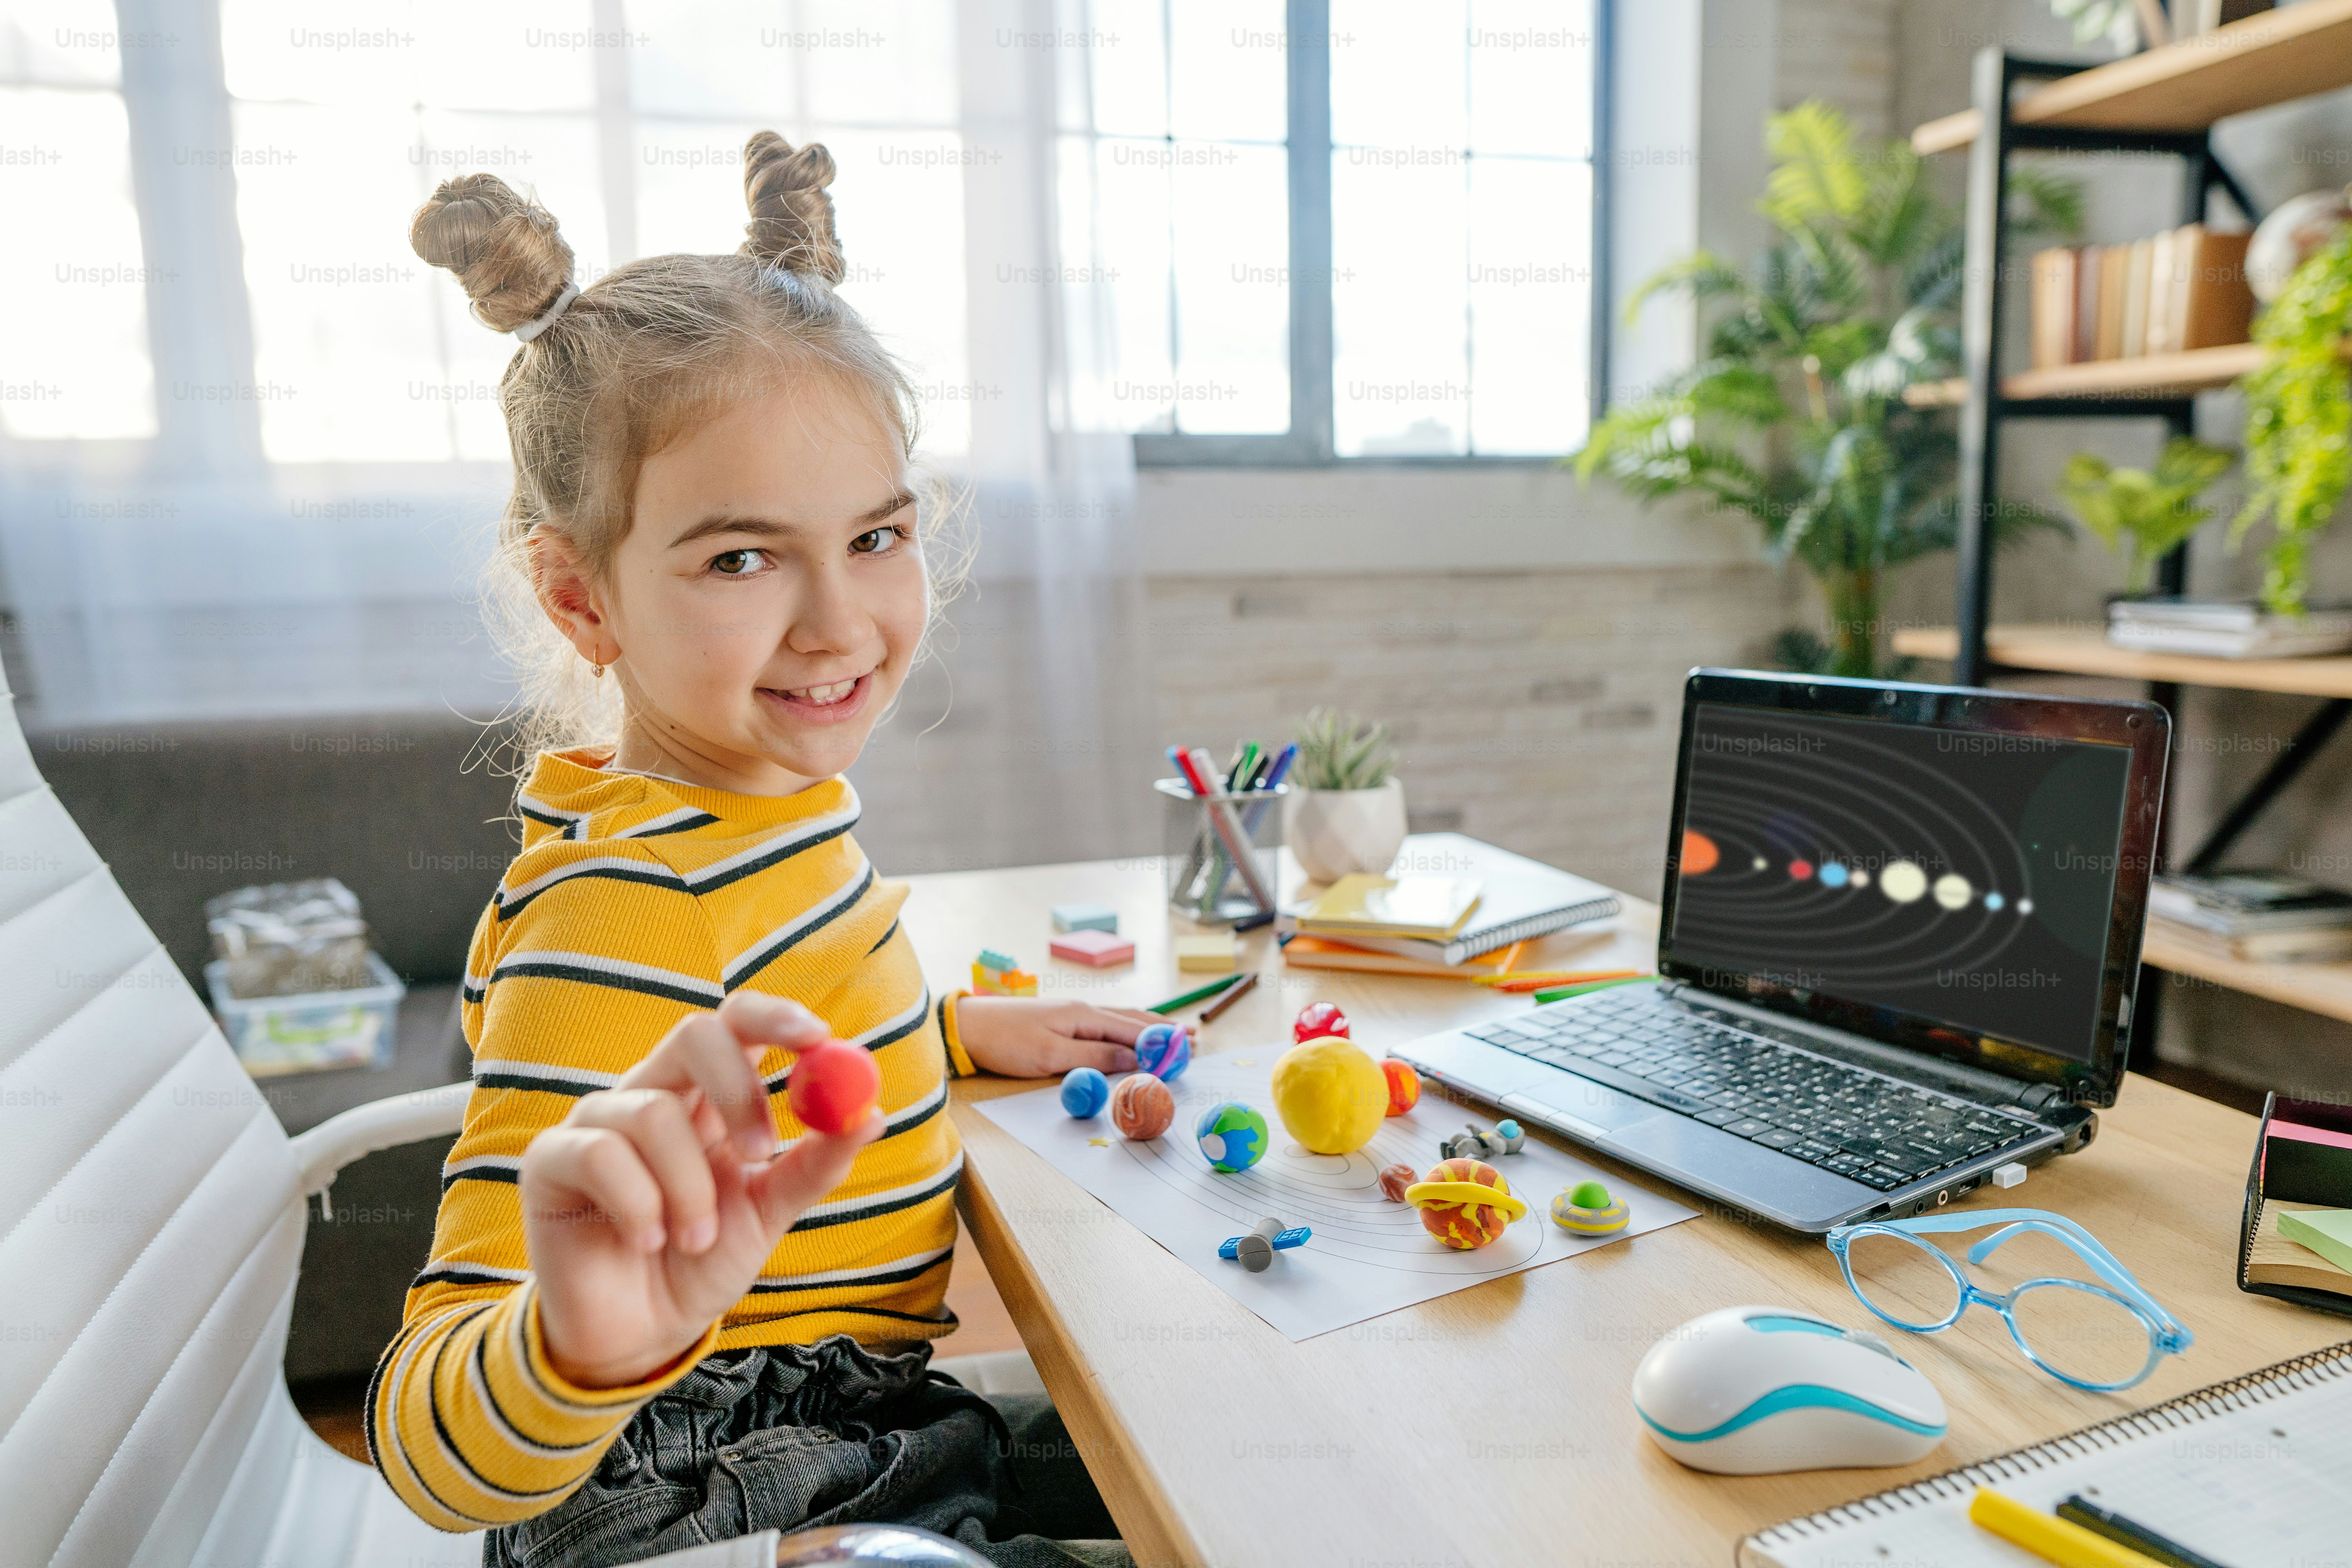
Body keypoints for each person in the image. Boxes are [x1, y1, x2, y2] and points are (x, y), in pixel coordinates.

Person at [369, 131, 1148, 1568]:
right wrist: (572, 1344)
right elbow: (429, 1444)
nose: (839, 624)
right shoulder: (625, 906)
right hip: (702, 1499)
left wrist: (944, 1027)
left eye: (875, 536)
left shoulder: (745, 810)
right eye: (741, 558)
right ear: (580, 598)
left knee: (1196, 1449)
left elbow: (756, 1019)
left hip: (855, 1431)